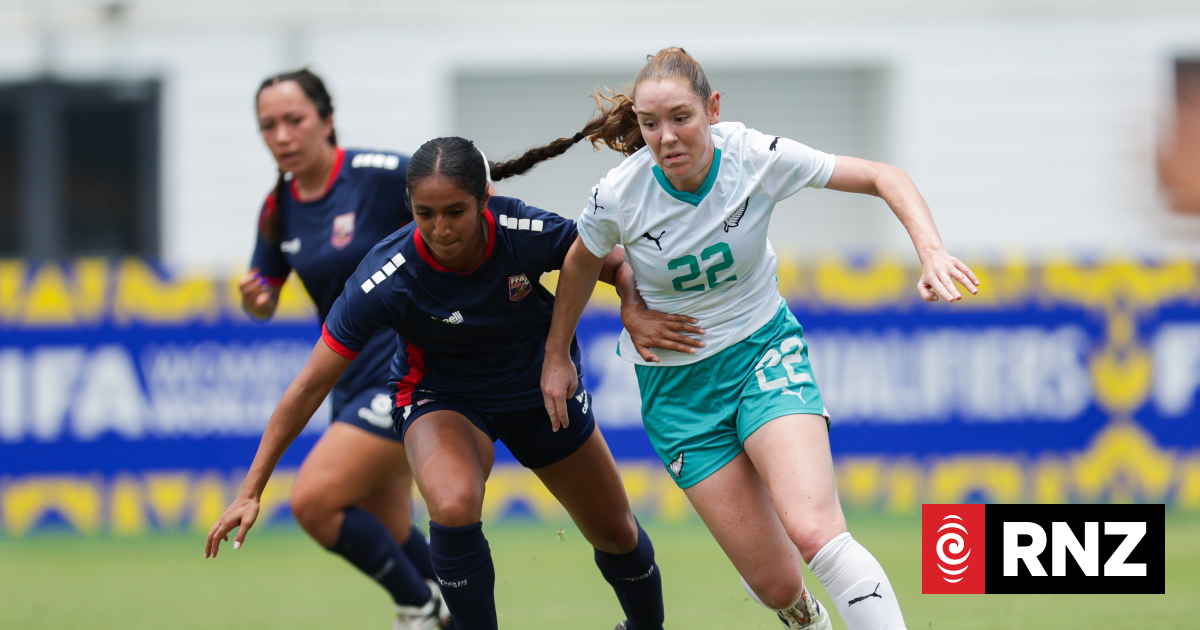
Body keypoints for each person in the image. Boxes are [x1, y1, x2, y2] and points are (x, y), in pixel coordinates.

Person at [541, 48, 980, 630]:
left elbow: (883, 175)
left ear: (713, 109)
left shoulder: (755, 156)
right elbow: (580, 261)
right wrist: (558, 353)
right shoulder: (620, 193)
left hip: (762, 353)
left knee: (815, 531)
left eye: (681, 117)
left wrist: (931, 251)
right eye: (650, 124)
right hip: (678, 393)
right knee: (776, 585)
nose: (666, 137)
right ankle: (808, 618)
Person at [207, 134, 681, 630]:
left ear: (484, 199)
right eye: (424, 214)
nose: (441, 229)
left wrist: (629, 307)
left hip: (538, 392)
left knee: (616, 532)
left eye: (455, 211)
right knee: (453, 505)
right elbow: (309, 385)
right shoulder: (386, 276)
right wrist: (251, 489)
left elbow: (613, 261)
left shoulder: (521, 229)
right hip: (442, 398)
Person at [203, 69, 449, 630]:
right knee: (384, 520)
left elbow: (466, 197)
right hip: (348, 380)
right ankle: (449, 610)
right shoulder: (278, 208)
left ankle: (420, 609)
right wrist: (256, 300)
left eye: (294, 120)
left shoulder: (379, 175)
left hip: (407, 372)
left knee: (314, 500)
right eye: (269, 126)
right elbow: (264, 295)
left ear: (327, 119)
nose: (282, 135)